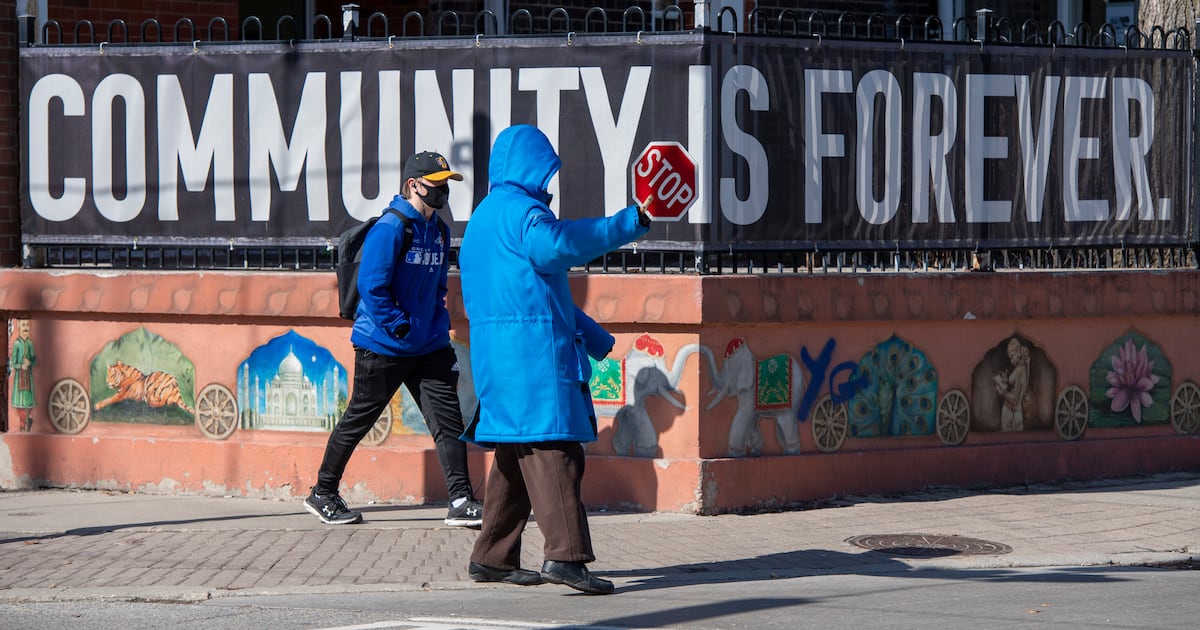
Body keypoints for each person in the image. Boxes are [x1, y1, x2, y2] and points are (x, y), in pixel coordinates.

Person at [459, 125, 651, 594]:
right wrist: (631, 220)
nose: (549, 186)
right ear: (530, 168)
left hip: (498, 363)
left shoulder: (483, 218)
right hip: (534, 366)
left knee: (514, 456)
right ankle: (566, 557)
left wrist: (594, 337)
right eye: (545, 174)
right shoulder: (525, 216)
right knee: (556, 454)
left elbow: (534, 296)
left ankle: (492, 557)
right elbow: (564, 244)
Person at [305, 151, 483, 528]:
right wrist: (398, 325)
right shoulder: (391, 228)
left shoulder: (439, 231)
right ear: (412, 186)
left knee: (448, 420)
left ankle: (460, 499)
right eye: (435, 186)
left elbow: (438, 287)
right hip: (383, 345)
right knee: (359, 418)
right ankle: (323, 493)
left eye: (446, 185)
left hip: (429, 345)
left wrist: (436, 323)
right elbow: (372, 286)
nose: (442, 192)